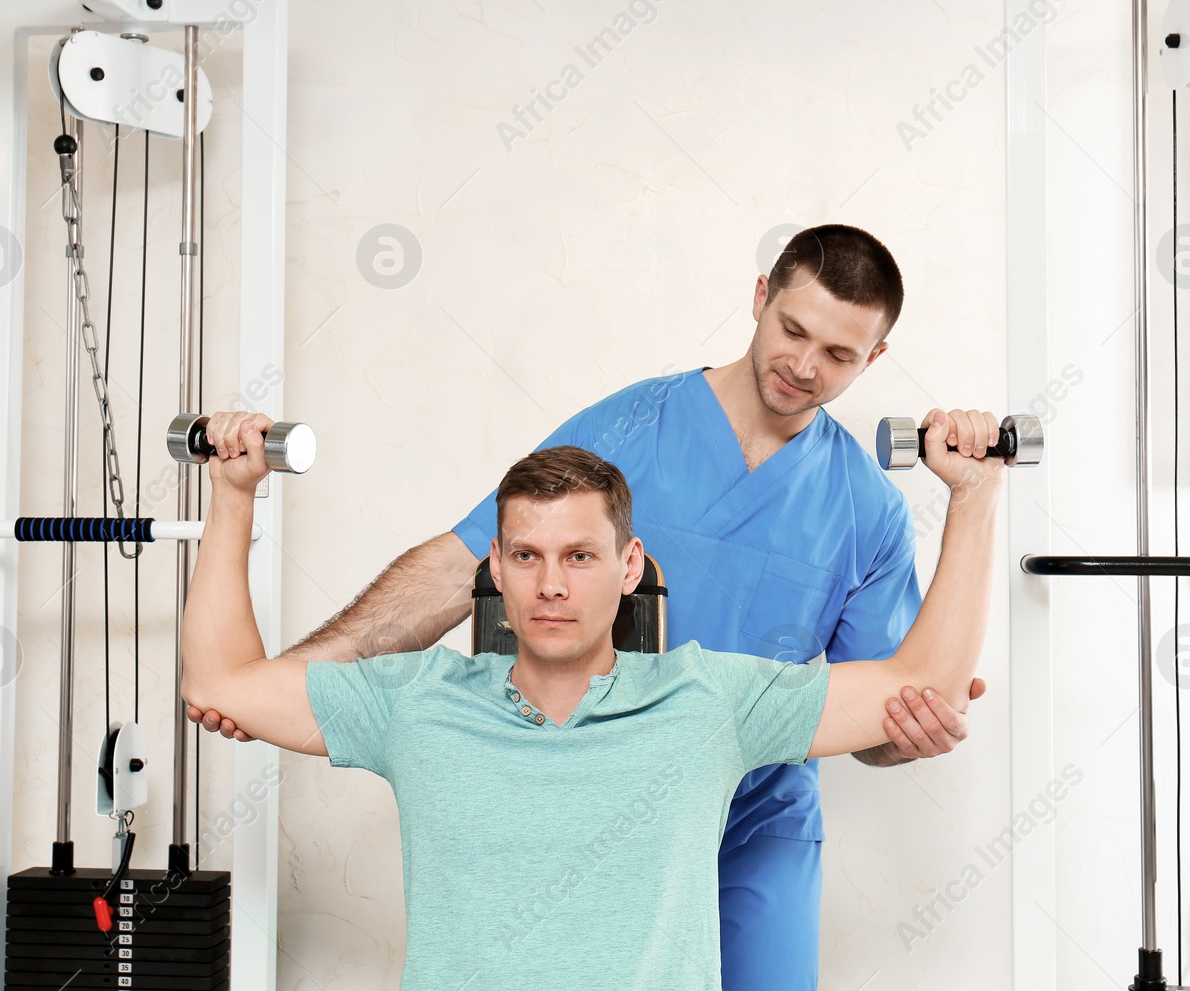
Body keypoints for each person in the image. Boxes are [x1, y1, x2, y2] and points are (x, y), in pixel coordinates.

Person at [188, 223, 988, 988]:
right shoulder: (628, 428)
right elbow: (455, 567)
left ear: (875, 356)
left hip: (754, 809)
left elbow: (892, 705)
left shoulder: (866, 509)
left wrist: (910, 729)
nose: (804, 365)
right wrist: (280, 682)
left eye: (839, 353)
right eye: (792, 328)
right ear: (758, 296)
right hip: (590, 789)